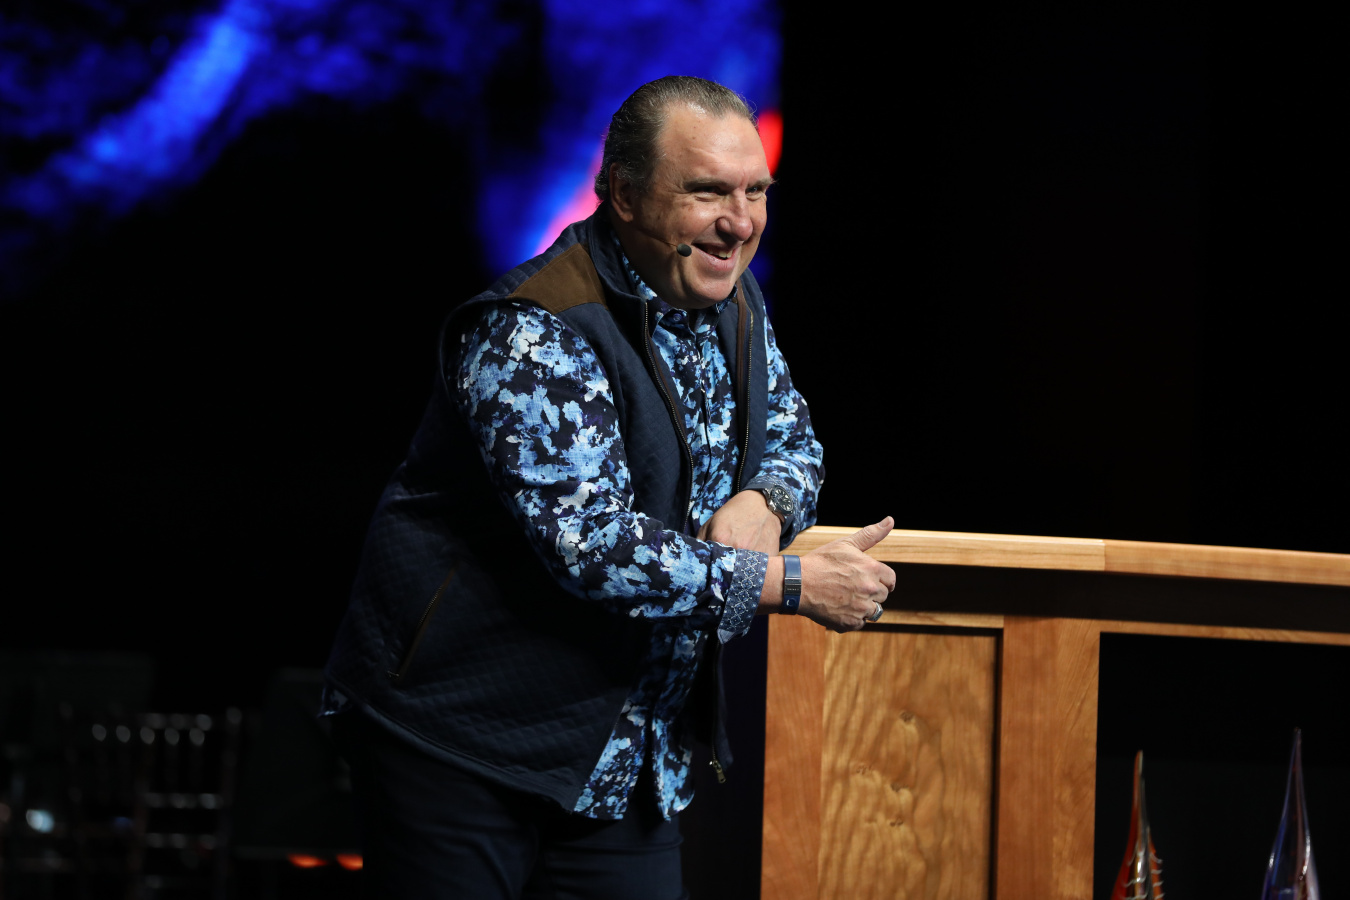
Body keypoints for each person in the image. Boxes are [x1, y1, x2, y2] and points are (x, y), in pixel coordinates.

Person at [322, 75, 896, 898]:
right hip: (462, 744)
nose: (740, 222)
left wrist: (764, 500)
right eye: (708, 192)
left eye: (756, 191)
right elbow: (592, 547)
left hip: (620, 758)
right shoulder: (532, 329)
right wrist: (789, 583)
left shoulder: (733, 297)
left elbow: (793, 441)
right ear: (624, 195)